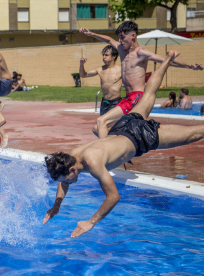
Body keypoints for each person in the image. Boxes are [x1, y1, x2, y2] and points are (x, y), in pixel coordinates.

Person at [43, 50, 204, 238]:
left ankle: (168, 60)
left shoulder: (93, 163)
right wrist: (56, 206)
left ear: (71, 170)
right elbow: (64, 182)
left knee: (194, 133)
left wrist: (90, 222)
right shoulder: (71, 156)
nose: (65, 184)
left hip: (139, 136)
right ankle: (168, 58)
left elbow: (113, 197)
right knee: (148, 95)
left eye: (65, 180)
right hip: (122, 126)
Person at [79, 21, 203, 139]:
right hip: (127, 98)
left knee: (101, 121)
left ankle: (104, 152)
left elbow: (167, 61)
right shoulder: (121, 49)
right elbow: (109, 39)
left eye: (123, 37)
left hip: (136, 97)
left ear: (133, 35)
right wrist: (91, 34)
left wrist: (190, 66)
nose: (120, 41)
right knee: (98, 128)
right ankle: (117, 152)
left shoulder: (141, 53)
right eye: (119, 38)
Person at [80, 46, 123, 116]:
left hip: (116, 102)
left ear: (114, 56)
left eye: (106, 55)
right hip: (104, 102)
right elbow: (83, 75)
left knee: (111, 123)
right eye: (103, 55)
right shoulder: (100, 69)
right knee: (103, 124)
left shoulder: (120, 70)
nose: (103, 57)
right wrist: (81, 65)